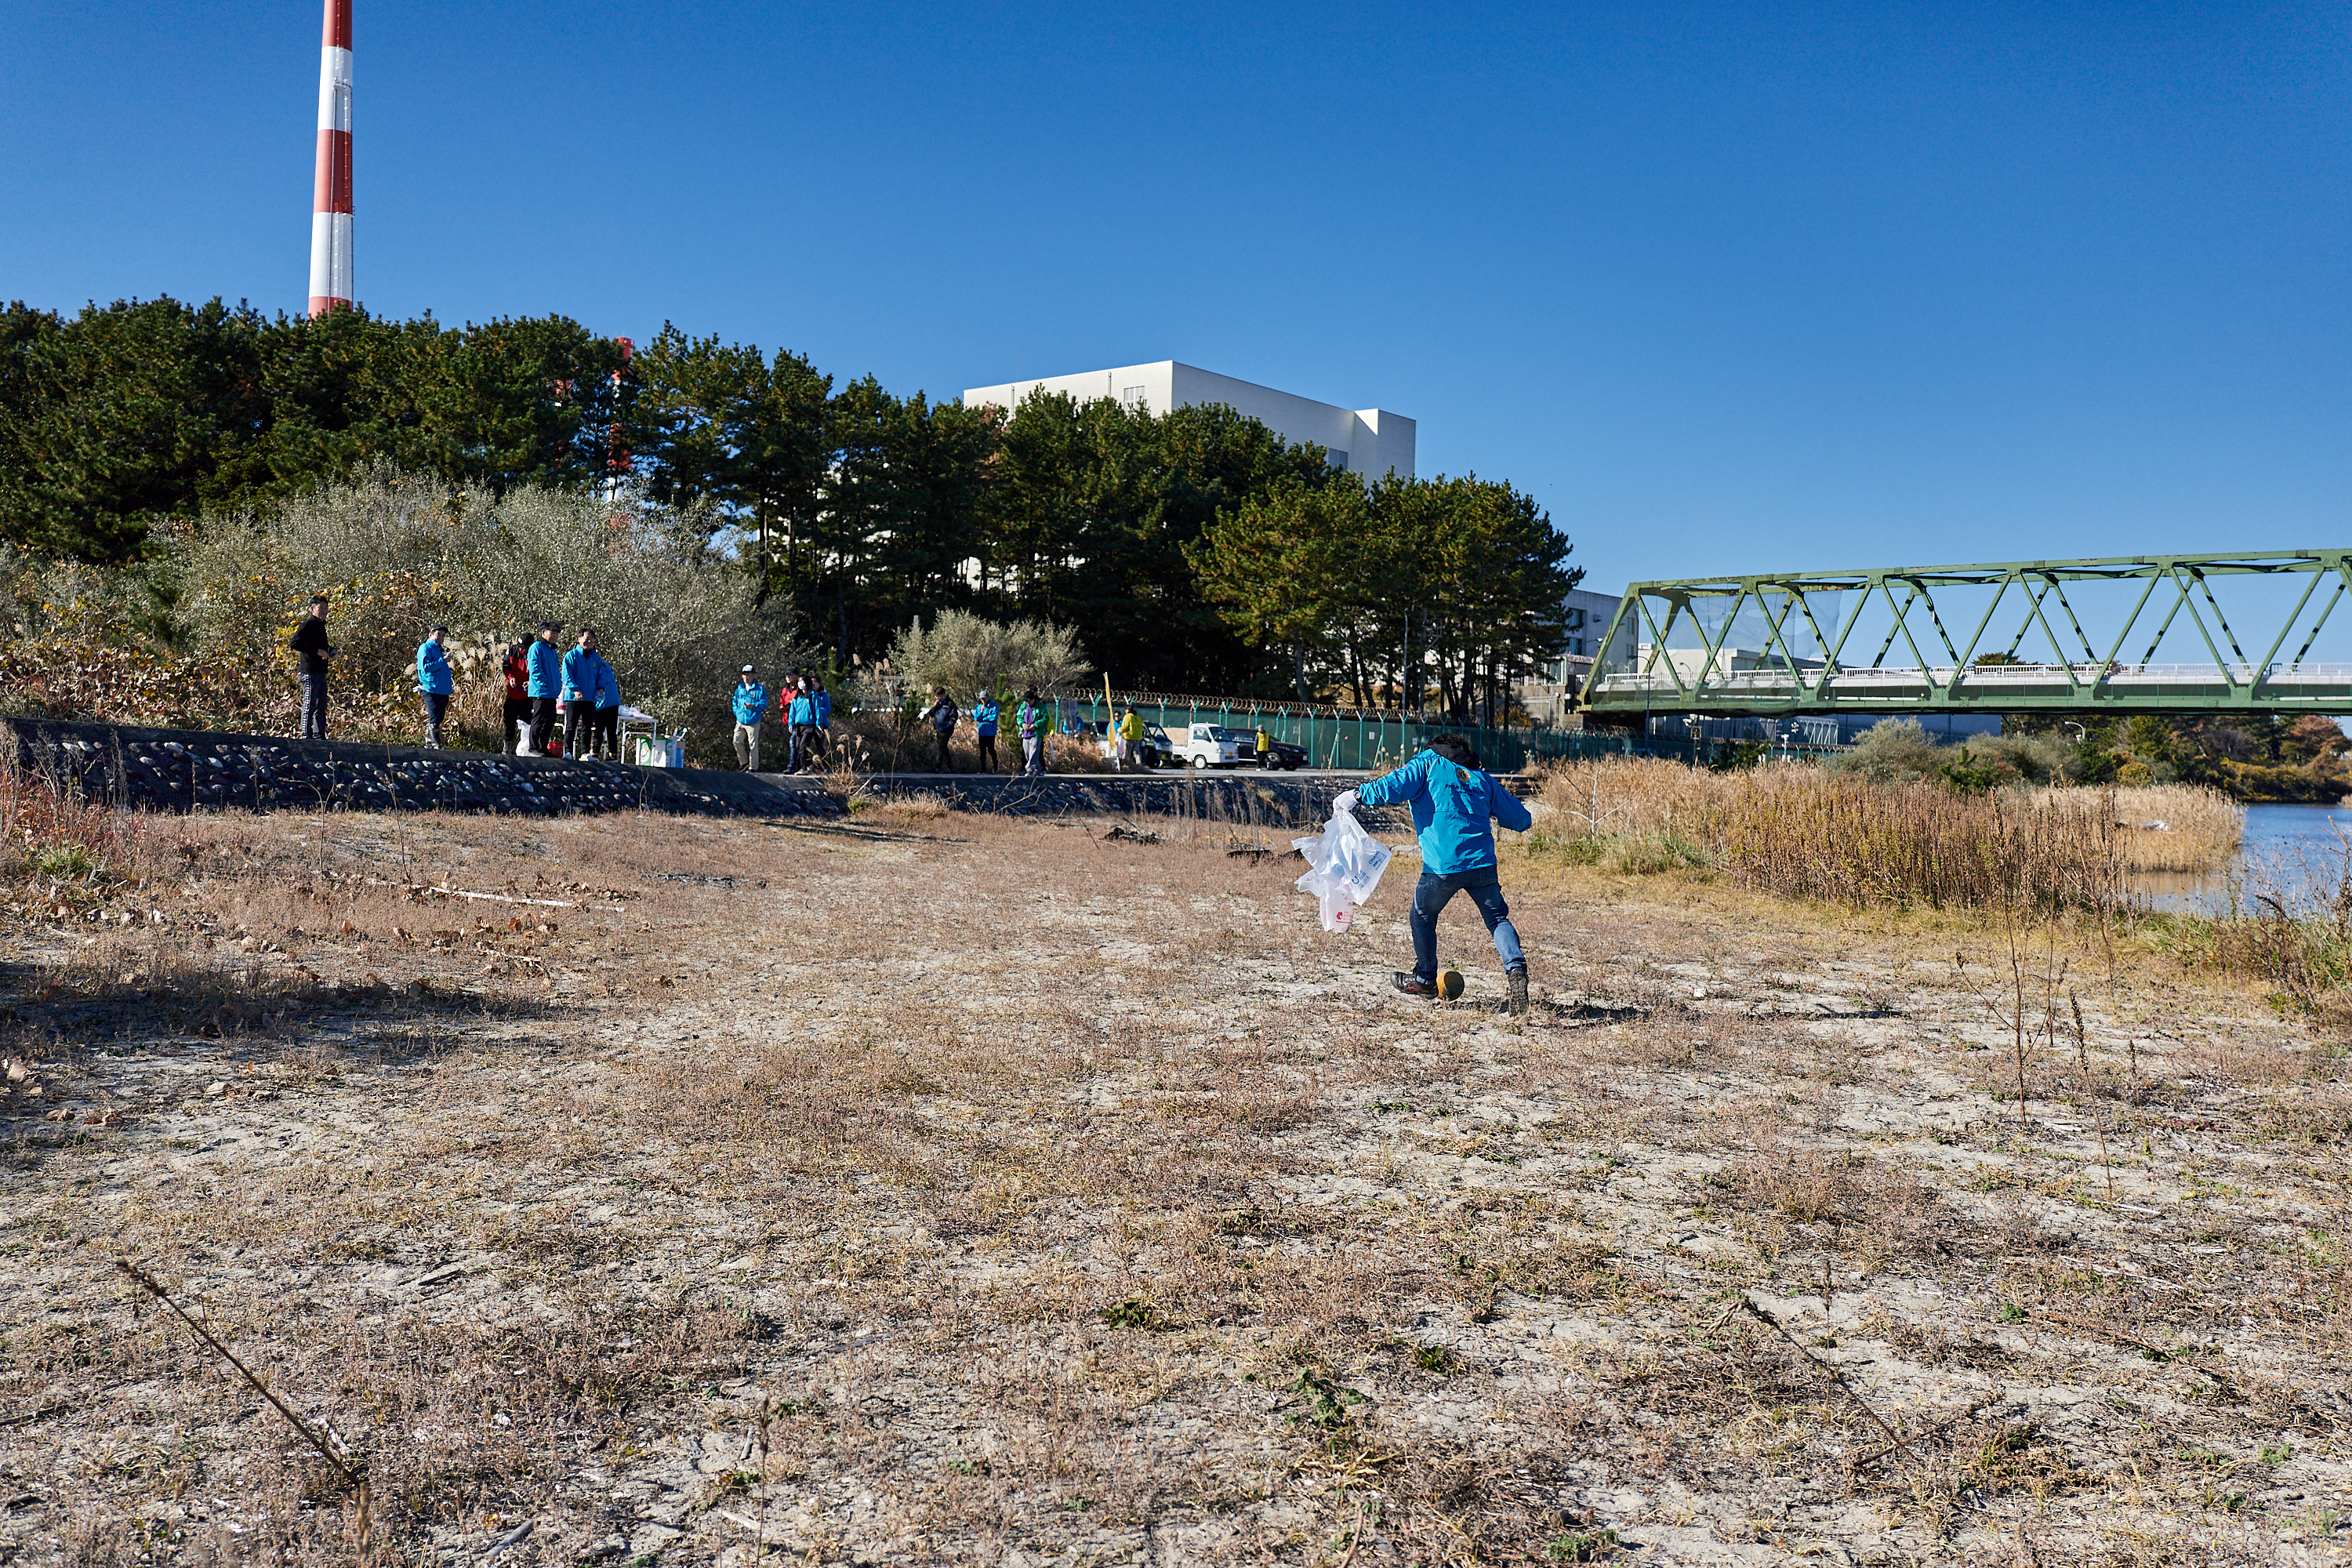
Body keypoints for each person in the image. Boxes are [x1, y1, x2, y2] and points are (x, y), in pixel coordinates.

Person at [1337, 733, 1535, 1018]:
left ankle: (1425, 980)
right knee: (1497, 919)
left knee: (1422, 915)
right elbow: (1521, 819)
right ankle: (1515, 968)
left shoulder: (1428, 763)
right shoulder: (1479, 776)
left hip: (1443, 866)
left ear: (1436, 747)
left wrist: (1357, 795)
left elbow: (1393, 786)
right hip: (1483, 865)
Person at [287, 594, 334, 739]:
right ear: (312, 609)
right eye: (321, 608)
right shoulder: (308, 624)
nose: (324, 611)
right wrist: (316, 651)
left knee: (321, 705)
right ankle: (305, 736)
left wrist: (331, 651)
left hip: (321, 671)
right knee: (309, 704)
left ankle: (319, 735)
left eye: (326, 608)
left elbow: (321, 646)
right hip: (309, 671)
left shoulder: (321, 626)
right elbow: (294, 643)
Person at [561, 629, 610, 761]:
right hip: (574, 697)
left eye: (592, 639)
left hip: (590, 698)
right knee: (571, 725)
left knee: (587, 726)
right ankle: (568, 752)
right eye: (586, 638)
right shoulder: (571, 656)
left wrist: (601, 688)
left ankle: (584, 753)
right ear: (579, 639)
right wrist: (575, 689)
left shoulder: (596, 658)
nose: (589, 641)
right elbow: (567, 675)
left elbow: (600, 674)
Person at [522, 622, 561, 756]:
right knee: (538, 720)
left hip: (552, 693)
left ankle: (543, 748)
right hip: (541, 691)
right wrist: (547, 683)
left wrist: (557, 686)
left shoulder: (552, 650)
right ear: (543, 632)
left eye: (557, 633)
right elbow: (535, 669)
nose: (555, 635)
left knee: (550, 721)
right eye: (552, 632)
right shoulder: (536, 647)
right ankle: (533, 748)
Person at [415, 624, 453, 750]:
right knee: (435, 718)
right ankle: (436, 746)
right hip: (431, 688)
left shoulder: (438, 650)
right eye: (438, 634)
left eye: (443, 635)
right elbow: (426, 667)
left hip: (442, 690)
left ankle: (429, 745)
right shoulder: (425, 648)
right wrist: (443, 660)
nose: (441, 637)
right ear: (431, 635)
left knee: (439, 718)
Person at [732, 666, 768, 771]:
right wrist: (737, 712)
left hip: (753, 721)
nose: (746, 677)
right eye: (744, 675)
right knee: (736, 741)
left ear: (753, 675)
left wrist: (753, 706)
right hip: (740, 720)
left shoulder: (759, 689)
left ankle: (753, 767)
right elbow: (735, 701)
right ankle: (744, 763)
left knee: (753, 744)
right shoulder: (740, 688)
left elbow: (763, 704)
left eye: (748, 675)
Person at [500, 637, 532, 752]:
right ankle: (507, 746)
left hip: (527, 695)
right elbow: (506, 666)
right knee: (509, 721)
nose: (524, 651)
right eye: (522, 649)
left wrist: (531, 681)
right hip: (512, 693)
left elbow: (536, 670)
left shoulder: (533, 652)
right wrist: (510, 677)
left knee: (527, 723)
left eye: (526, 649)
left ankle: (525, 747)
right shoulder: (512, 651)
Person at [592, 648, 622, 760]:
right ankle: (613, 754)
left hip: (603, 702)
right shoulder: (606, 665)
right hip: (614, 701)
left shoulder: (594, 667)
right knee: (611, 730)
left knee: (599, 729)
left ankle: (595, 752)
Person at [924, 687, 959, 771]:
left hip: (946, 730)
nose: (937, 698)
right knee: (944, 748)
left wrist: (949, 725)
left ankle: (938, 766)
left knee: (941, 747)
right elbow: (931, 714)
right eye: (936, 696)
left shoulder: (950, 704)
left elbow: (954, 716)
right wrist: (934, 707)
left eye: (938, 696)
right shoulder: (938, 704)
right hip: (938, 729)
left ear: (943, 695)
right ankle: (950, 767)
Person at [1016, 688, 1047, 777]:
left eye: (1029, 701)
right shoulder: (1023, 706)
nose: (1028, 704)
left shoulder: (1041, 706)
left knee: (1034, 750)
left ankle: (1029, 770)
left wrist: (1036, 725)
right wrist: (1022, 724)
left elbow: (1045, 718)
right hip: (1026, 733)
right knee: (1027, 752)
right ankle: (1037, 769)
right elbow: (1019, 717)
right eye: (1026, 702)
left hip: (1036, 733)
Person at [786, 678, 816, 771]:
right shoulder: (797, 697)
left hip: (810, 725)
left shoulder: (812, 696)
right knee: (798, 746)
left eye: (802, 681)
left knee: (803, 746)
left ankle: (803, 769)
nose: (800, 684)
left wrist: (819, 723)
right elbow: (792, 711)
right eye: (799, 682)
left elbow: (817, 710)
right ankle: (806, 765)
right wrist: (790, 723)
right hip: (799, 726)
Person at [972, 688, 1000, 772]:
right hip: (982, 732)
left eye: (984, 698)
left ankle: (995, 765)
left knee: (991, 749)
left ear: (988, 698)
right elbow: (976, 718)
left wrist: (983, 718)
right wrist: (981, 712)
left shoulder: (994, 705)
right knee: (982, 752)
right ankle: (983, 769)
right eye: (981, 699)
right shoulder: (979, 707)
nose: (983, 700)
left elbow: (993, 717)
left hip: (990, 732)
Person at [811, 675, 833, 764]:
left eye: (816, 682)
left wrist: (818, 710)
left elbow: (828, 709)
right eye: (812, 682)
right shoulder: (808, 695)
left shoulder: (824, 695)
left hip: (821, 724)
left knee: (819, 746)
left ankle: (823, 766)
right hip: (809, 723)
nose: (814, 684)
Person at [1116, 706, 1144, 771]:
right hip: (1138, 737)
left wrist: (1119, 730)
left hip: (1129, 736)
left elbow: (1125, 727)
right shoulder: (1138, 718)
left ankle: (1125, 765)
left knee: (1127, 751)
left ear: (1128, 710)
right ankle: (1139, 765)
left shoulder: (1127, 716)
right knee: (1136, 751)